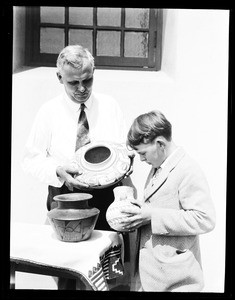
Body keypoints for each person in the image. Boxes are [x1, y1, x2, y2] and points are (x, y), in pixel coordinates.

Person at [22, 44, 134, 231]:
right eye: (73, 83)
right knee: (66, 257)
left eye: (87, 80)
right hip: (65, 197)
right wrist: (58, 171)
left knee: (106, 255)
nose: (82, 89)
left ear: (93, 72)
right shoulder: (48, 112)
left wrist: (127, 163)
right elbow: (30, 160)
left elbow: (125, 149)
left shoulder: (110, 106)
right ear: (59, 77)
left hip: (108, 199)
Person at [119, 110, 216, 292]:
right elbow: (159, 204)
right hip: (153, 277)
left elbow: (205, 219)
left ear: (160, 144)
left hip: (177, 281)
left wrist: (152, 216)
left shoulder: (188, 169)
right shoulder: (159, 165)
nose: (141, 159)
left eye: (143, 153)